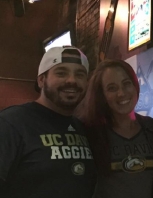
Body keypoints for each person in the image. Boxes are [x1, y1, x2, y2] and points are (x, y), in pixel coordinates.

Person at [0, 46, 96, 198]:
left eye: (80, 74)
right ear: (41, 80)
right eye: (61, 73)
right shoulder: (11, 123)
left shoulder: (82, 128)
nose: (72, 80)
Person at [76, 59, 153, 198]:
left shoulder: (152, 128)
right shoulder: (89, 132)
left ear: (135, 85)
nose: (121, 93)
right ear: (102, 95)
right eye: (112, 88)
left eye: (126, 84)